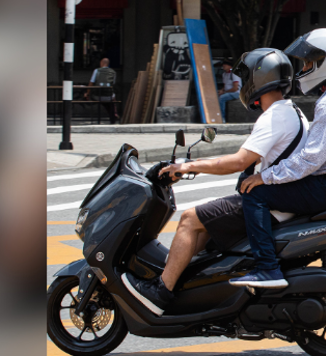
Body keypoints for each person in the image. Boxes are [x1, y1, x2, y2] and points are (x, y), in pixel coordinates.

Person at [122, 48, 307, 313]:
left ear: (259, 80)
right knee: (204, 221)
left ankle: (161, 292)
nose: (243, 86)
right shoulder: (294, 112)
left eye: (246, 79)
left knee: (189, 219)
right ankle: (185, 285)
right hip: (280, 199)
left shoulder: (274, 117)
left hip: (270, 204)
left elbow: (237, 162)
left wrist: (188, 166)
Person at [232, 29, 326, 288]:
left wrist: (264, 177)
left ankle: (267, 268)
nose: (305, 68)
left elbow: (311, 160)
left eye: (310, 62)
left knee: (255, 193)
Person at [86, 57, 119, 122]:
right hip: (109, 96)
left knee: (101, 99)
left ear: (101, 63)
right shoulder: (113, 72)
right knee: (112, 100)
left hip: (97, 96)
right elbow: (113, 84)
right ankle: (114, 114)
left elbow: (91, 83)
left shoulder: (97, 70)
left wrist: (87, 93)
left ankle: (111, 115)